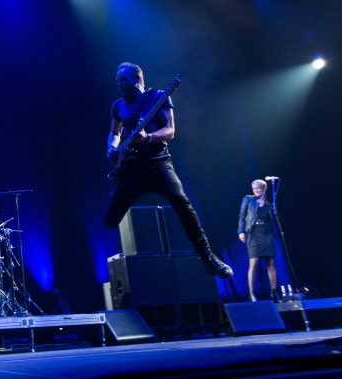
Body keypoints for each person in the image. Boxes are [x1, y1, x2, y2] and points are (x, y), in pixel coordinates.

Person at [103, 62, 233, 279]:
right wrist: (112, 147)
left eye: (124, 80)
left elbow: (170, 130)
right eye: (118, 81)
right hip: (131, 168)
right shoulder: (118, 106)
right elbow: (114, 133)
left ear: (137, 79)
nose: (120, 84)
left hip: (158, 163)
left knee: (182, 202)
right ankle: (113, 196)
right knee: (109, 220)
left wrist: (148, 137)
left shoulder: (159, 97)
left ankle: (207, 257)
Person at [238, 179, 277, 301]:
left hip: (267, 235)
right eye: (254, 188)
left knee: (271, 263)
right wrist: (241, 231)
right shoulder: (248, 199)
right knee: (253, 263)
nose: (255, 190)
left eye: (258, 188)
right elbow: (242, 215)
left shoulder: (269, 205)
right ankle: (251, 293)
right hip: (253, 234)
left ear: (264, 189)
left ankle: (274, 292)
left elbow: (271, 221)